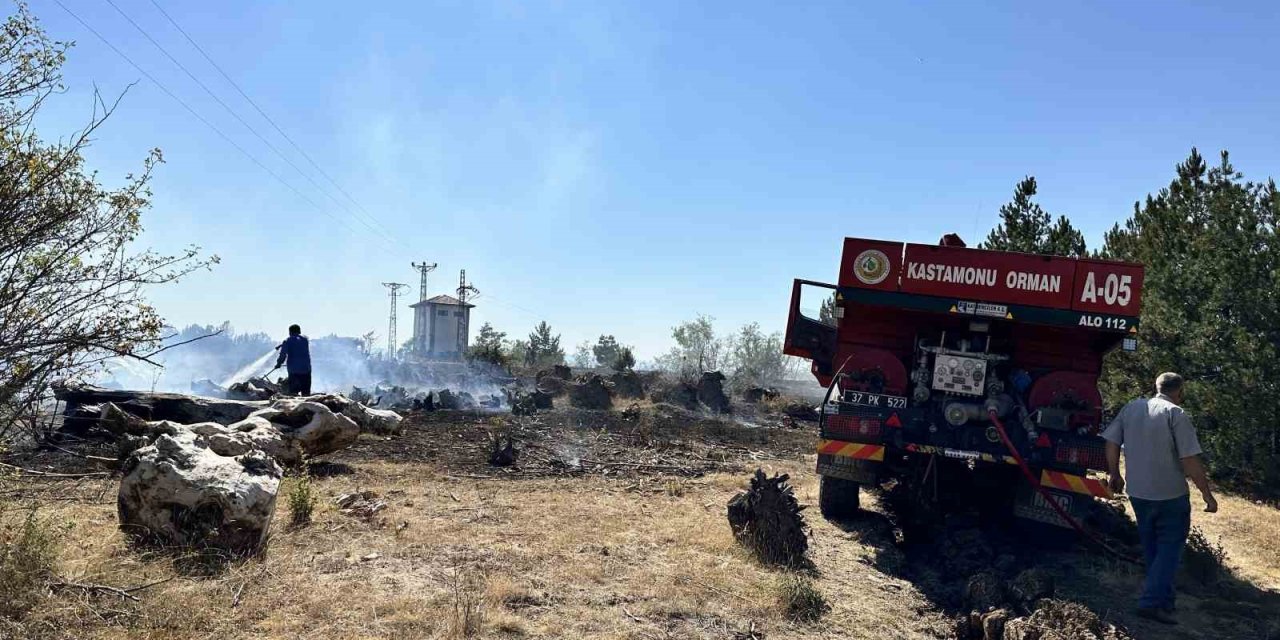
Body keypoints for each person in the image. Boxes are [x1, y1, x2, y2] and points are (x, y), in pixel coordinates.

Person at [1103, 372, 1218, 625]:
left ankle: (1164, 600)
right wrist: (1207, 494)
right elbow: (1189, 460)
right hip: (1170, 494)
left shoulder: (1132, 408)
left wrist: (1114, 474)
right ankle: (1151, 603)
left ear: (1156, 387)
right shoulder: (1176, 414)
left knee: (1152, 547)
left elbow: (1111, 441)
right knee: (1169, 550)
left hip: (1138, 492)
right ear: (1180, 391)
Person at [275, 324, 312, 396]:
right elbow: (297, 343)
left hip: (294, 371)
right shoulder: (305, 340)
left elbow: (283, 355)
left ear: (290, 332)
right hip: (306, 369)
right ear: (299, 331)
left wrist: (278, 364)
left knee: (293, 393)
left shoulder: (287, 341)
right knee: (306, 393)